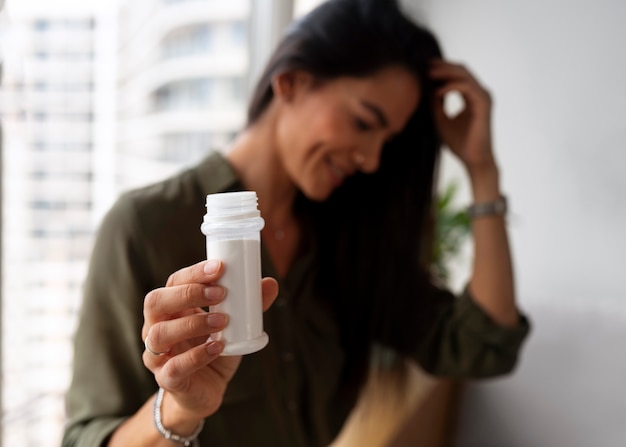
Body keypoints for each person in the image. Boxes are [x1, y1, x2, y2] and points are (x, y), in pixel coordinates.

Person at [62, 0, 530, 445]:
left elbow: (482, 345)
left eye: (387, 141)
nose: (370, 160)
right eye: (364, 122)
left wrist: (481, 169)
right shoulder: (144, 229)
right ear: (291, 82)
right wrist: (179, 409)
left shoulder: (350, 238)